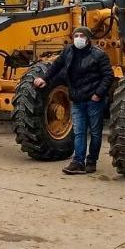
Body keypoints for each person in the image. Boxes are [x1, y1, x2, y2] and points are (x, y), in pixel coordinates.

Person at [33, 26, 113, 174]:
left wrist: (98, 94)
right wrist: (44, 79)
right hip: (77, 99)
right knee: (79, 132)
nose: (78, 39)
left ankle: (91, 161)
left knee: (95, 133)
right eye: (76, 36)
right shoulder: (68, 51)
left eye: (82, 36)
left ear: (88, 39)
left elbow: (108, 76)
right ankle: (78, 162)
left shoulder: (99, 55)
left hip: (94, 100)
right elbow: (56, 66)